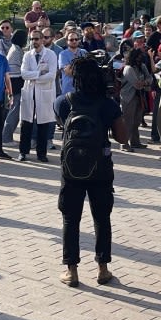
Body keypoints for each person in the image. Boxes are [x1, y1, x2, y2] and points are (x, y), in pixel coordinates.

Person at [55, 55, 127, 287]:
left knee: (70, 218)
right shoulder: (107, 104)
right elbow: (122, 137)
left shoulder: (63, 101)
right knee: (102, 218)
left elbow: (61, 124)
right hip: (100, 168)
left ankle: (71, 270)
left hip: (72, 168)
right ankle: (103, 268)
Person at [18, 30, 59, 163]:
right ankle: (23, 152)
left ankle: (42, 154)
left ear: (42, 40)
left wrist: (34, 77)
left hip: (44, 93)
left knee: (43, 123)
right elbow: (23, 74)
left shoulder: (51, 55)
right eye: (31, 39)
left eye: (36, 39)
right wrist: (38, 74)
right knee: (26, 123)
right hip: (29, 92)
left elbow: (51, 75)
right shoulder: (27, 55)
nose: (34, 42)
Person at [119, 47, 154, 151]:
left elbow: (150, 78)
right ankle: (124, 144)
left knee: (137, 121)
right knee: (128, 121)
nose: (140, 58)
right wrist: (145, 83)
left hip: (139, 97)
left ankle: (135, 142)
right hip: (128, 97)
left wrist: (145, 82)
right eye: (137, 56)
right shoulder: (128, 68)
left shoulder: (142, 66)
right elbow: (136, 84)